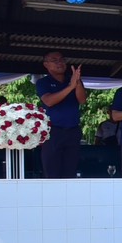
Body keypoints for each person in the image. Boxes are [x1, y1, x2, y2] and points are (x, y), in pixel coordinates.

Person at [35, 51, 86, 179]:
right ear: (46, 64)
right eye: (54, 60)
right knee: (52, 173)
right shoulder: (43, 82)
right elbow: (49, 101)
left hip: (72, 131)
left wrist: (77, 83)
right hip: (53, 132)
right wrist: (70, 87)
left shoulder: (73, 79)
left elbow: (82, 100)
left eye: (62, 59)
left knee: (70, 172)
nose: (60, 63)